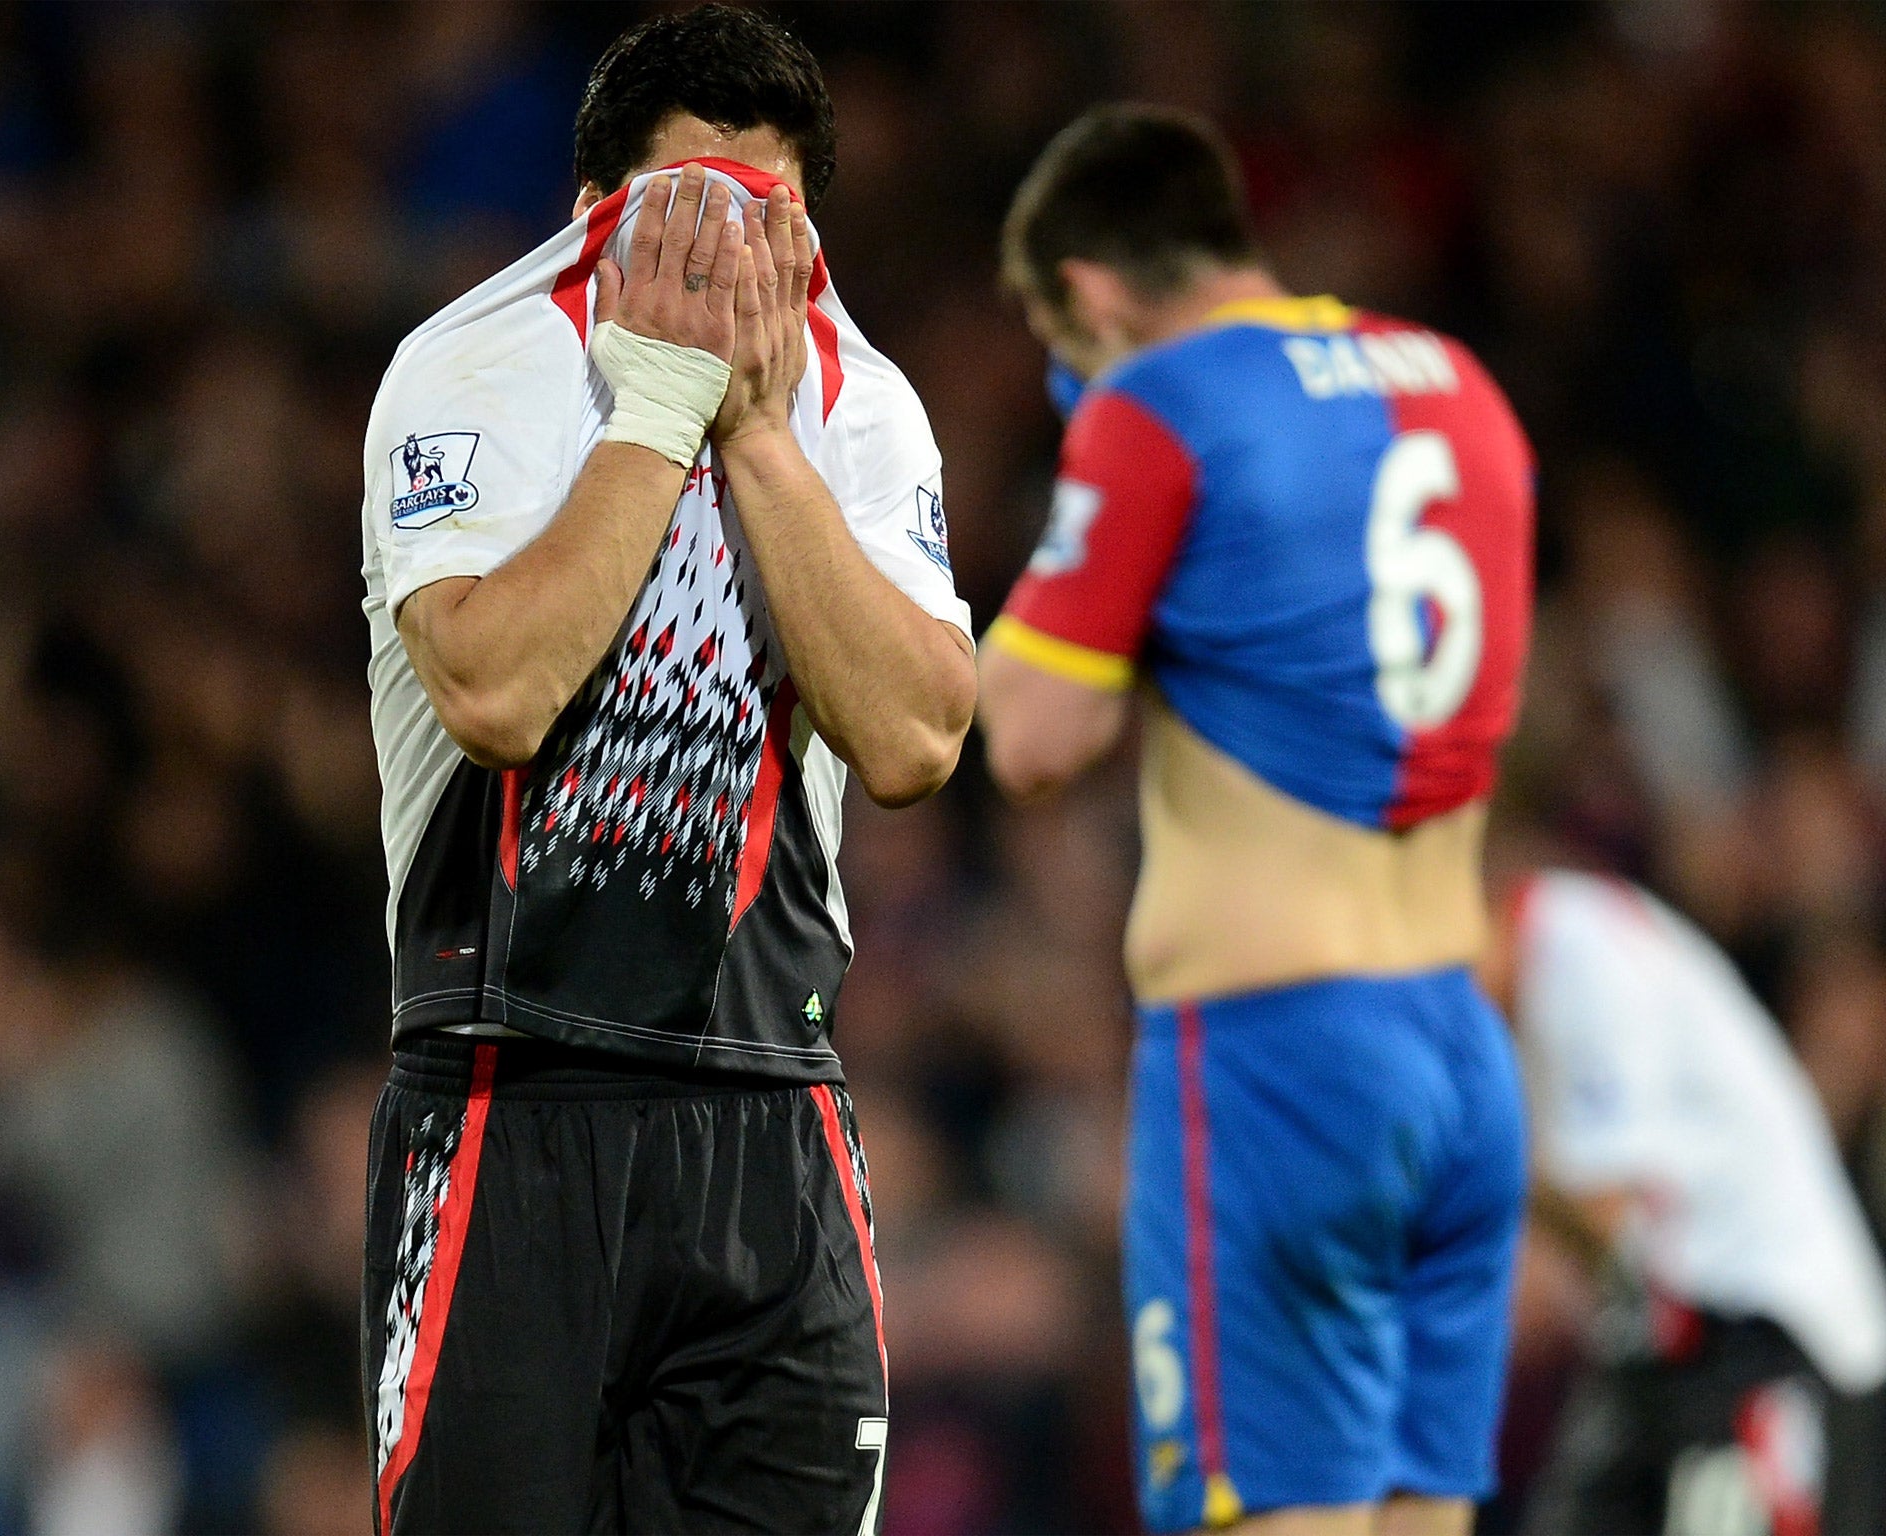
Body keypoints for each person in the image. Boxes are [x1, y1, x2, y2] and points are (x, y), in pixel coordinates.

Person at [356, 8, 976, 1533]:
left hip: (773, 1115)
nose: (722, 259)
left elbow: (913, 740)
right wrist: (655, 410)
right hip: (507, 1101)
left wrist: (755, 437)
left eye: (762, 221)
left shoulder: (858, 404)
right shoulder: (473, 370)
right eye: (680, 210)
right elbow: (495, 690)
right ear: (593, 213)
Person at [977, 106, 1536, 1534]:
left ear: (1093, 292)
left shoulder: (1157, 405)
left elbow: (1030, 738)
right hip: (1461, 1042)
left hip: (1281, 1052)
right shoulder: (1458, 383)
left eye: (1058, 332)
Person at [1484, 867, 1886, 1536]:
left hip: (1766, 1333)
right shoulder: (1528, 999)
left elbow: (1600, 1209)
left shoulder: (1576, 943)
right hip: (1664, 1347)